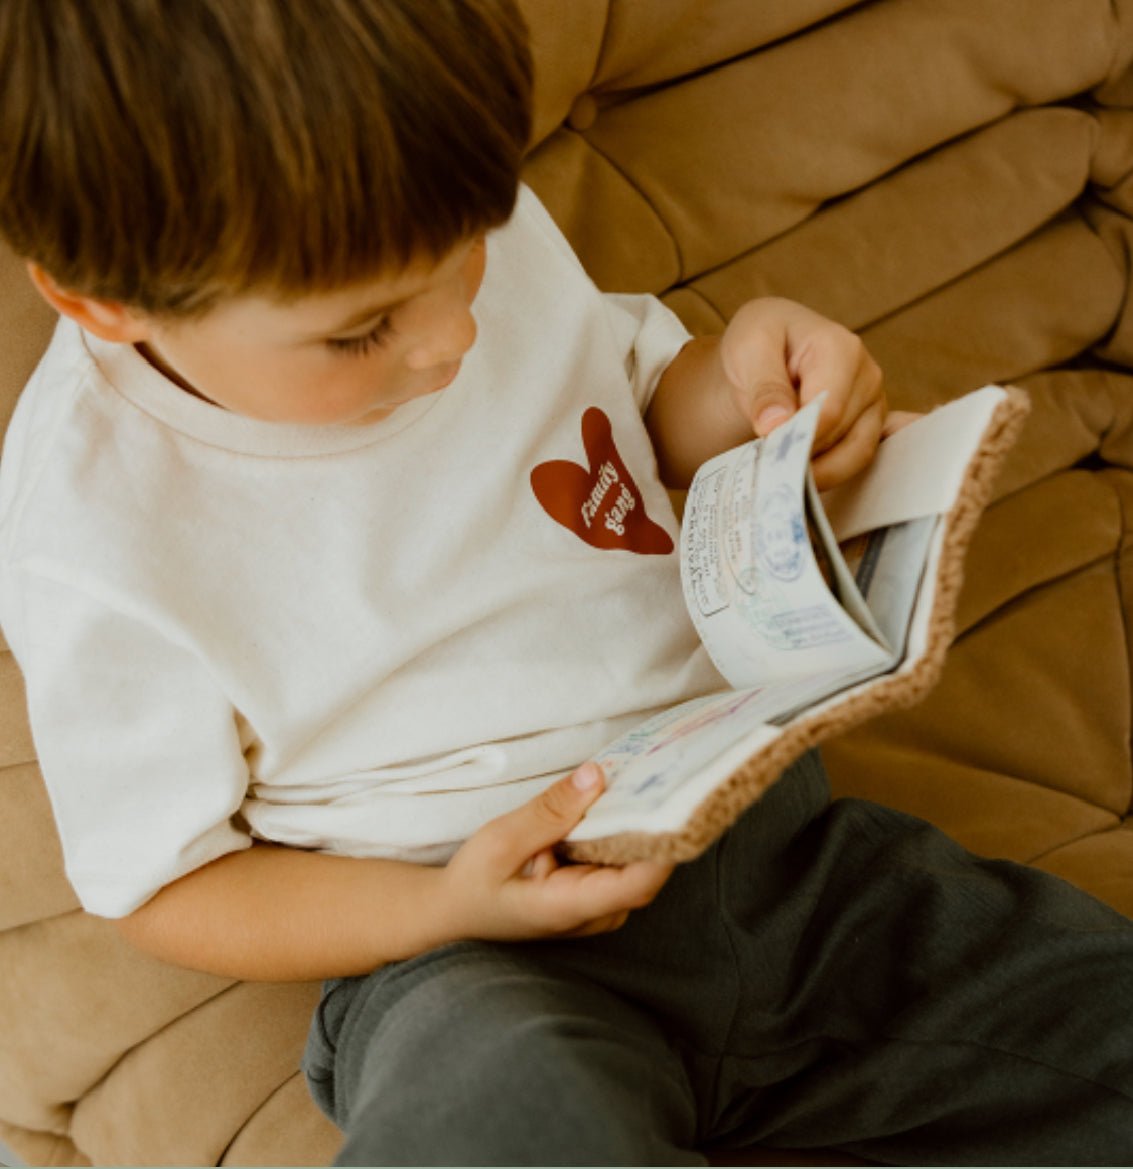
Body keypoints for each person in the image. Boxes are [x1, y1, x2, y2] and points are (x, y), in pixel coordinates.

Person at [0, 2, 1130, 1164]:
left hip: (780, 862)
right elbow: (164, 887)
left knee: (1093, 1019)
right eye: (362, 331)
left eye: (471, 251)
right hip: (476, 960)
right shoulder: (95, 530)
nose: (452, 336)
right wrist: (443, 907)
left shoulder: (431, 212)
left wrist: (752, 386)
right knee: (512, 1124)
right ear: (102, 300)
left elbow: (632, 418)